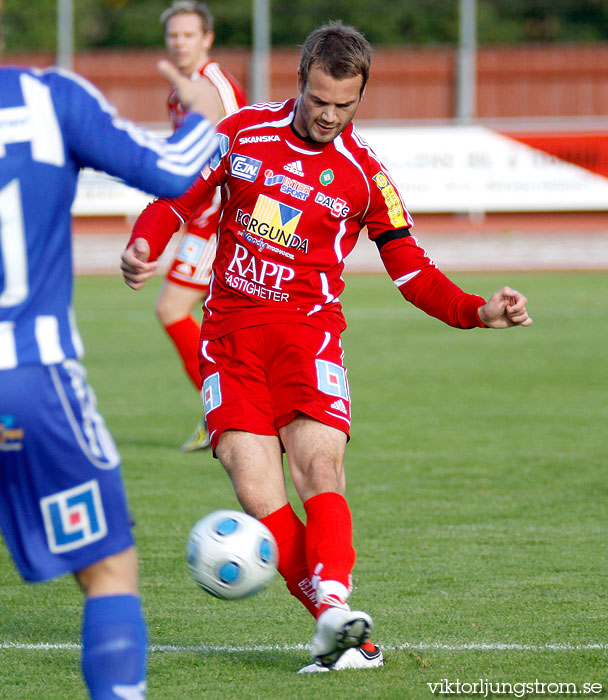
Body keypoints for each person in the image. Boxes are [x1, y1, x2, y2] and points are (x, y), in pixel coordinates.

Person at [121, 21, 532, 673]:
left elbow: (412, 270)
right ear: (301, 80)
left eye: (345, 105)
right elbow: (176, 199)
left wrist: (477, 312)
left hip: (307, 344)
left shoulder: (364, 175)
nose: (330, 116)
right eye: (320, 101)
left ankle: (335, 602)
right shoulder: (240, 134)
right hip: (228, 344)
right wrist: (147, 241)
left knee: (321, 471)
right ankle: (341, 631)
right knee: (259, 496)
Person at [0, 64, 218, 700]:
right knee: (109, 569)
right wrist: (201, 109)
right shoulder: (47, 97)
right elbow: (175, 170)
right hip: (28, 380)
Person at [157, 1, 247, 452]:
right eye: (174, 35)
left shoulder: (215, 87)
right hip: (199, 217)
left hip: (219, 219)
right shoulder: (179, 91)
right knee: (216, 317)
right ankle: (230, 406)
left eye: (188, 35)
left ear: (207, 39)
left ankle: (222, 410)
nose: (179, 43)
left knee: (173, 309)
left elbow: (240, 151)